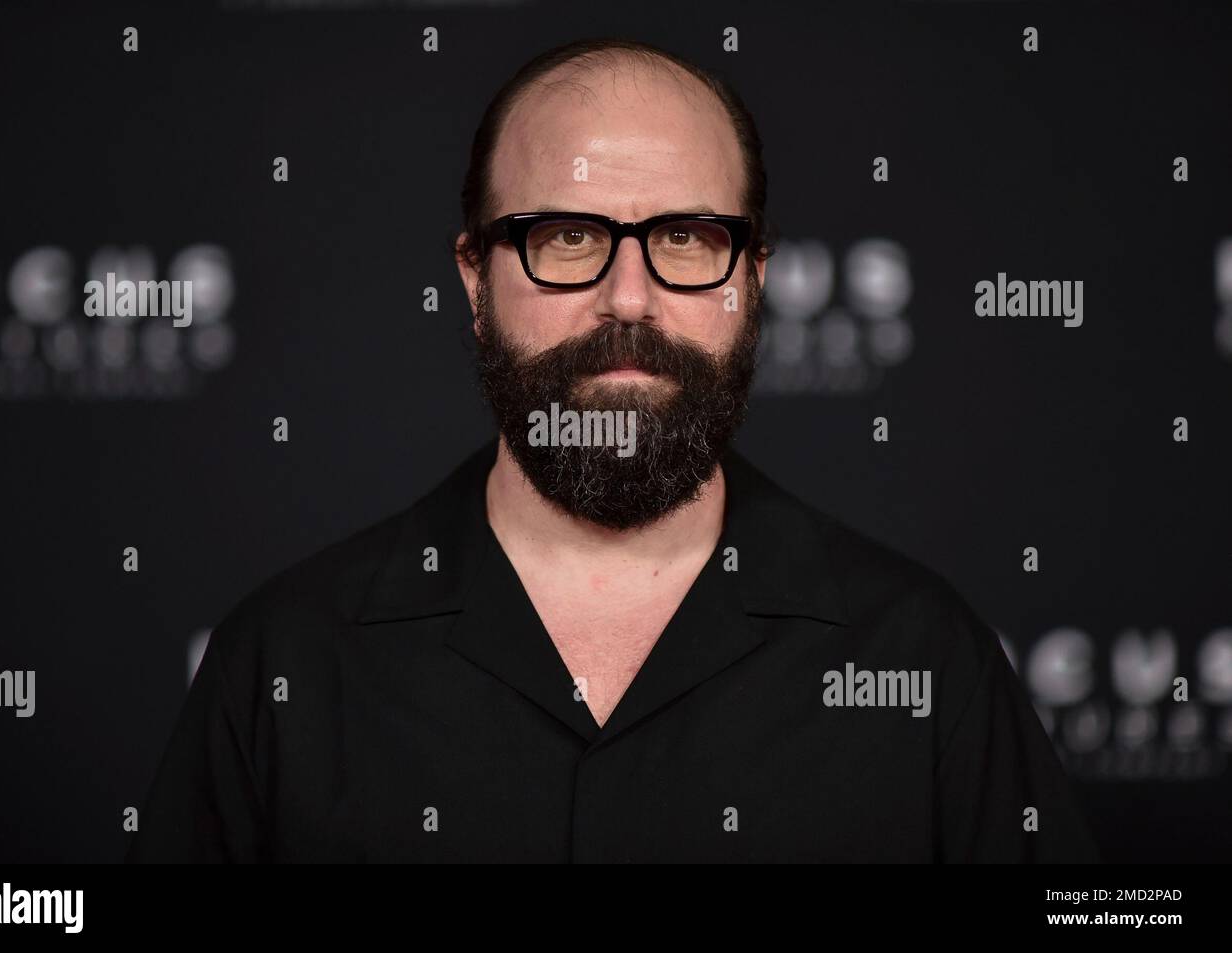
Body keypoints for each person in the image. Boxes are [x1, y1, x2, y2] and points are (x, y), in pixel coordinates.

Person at [127, 37, 1099, 863]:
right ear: (474, 278)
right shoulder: (289, 662)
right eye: (565, 236)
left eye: (683, 237)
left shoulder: (922, 658)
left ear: (753, 277)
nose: (628, 297)